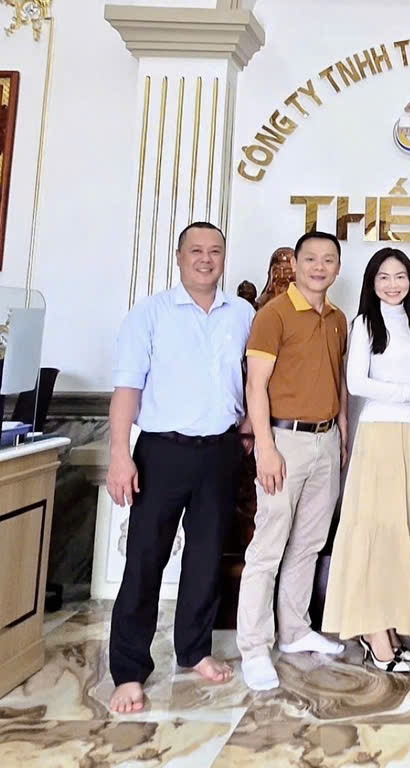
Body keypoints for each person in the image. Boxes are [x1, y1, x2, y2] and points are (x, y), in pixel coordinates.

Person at [106, 221, 253, 713]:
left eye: (215, 251)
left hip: (221, 451)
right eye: (196, 251)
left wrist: (248, 430)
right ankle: (129, 670)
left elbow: (254, 380)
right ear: (178, 256)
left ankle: (193, 650)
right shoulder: (149, 313)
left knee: (206, 557)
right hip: (162, 451)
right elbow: (127, 389)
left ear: (224, 258)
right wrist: (120, 454)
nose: (205, 260)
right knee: (145, 559)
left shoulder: (243, 314)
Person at [237, 230, 350, 692]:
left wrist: (342, 432)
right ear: (296, 265)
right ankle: (253, 647)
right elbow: (255, 385)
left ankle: (295, 629)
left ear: (337, 267)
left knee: (309, 542)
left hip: (326, 440)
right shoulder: (274, 314)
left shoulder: (338, 318)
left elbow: (338, 381)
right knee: (268, 546)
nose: (319, 267)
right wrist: (265, 447)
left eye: (328, 260)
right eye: (311, 259)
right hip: (285, 441)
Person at [321, 247, 410, 673]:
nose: (393, 284)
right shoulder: (364, 324)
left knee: (402, 533)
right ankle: (372, 631)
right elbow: (357, 383)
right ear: (372, 284)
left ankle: (389, 624)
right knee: (376, 532)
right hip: (379, 435)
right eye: (384, 277)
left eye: (400, 276)